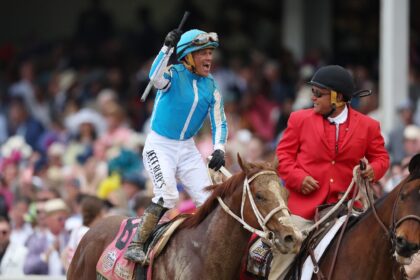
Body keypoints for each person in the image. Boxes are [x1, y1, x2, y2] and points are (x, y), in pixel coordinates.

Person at [270, 65, 390, 279]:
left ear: (338, 97)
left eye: (318, 93)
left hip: (347, 207)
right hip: (304, 210)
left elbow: (382, 158)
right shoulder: (299, 119)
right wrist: (298, 178)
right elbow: (284, 157)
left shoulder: (369, 126)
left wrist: (373, 170)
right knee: (284, 251)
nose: (313, 98)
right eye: (312, 92)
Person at [124, 28, 228, 263]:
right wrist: (166, 48)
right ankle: (136, 244)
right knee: (168, 194)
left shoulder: (211, 86)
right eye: (203, 53)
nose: (209, 58)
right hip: (160, 146)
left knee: (209, 202)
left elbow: (220, 121)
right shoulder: (172, 74)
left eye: (211, 52)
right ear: (189, 55)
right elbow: (154, 77)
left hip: (187, 149)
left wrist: (219, 147)